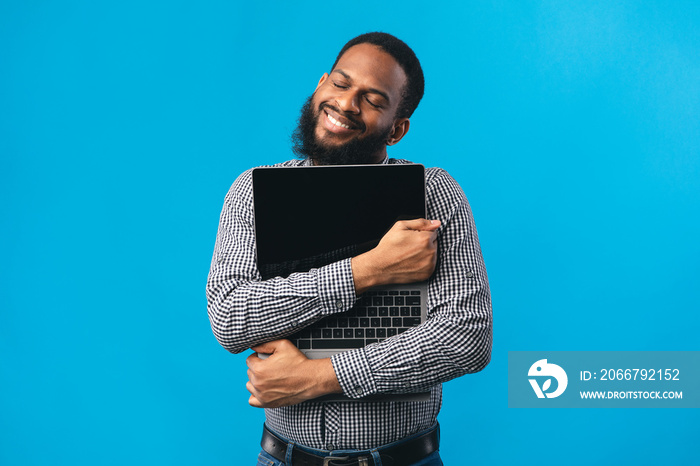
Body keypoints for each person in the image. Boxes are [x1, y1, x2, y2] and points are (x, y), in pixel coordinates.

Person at [206, 32, 492, 466]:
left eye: (373, 99)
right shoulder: (254, 191)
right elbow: (231, 318)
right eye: (340, 84)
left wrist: (319, 377)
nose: (346, 104)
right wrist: (369, 269)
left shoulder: (434, 195)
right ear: (321, 83)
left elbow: (466, 337)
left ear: (397, 128)